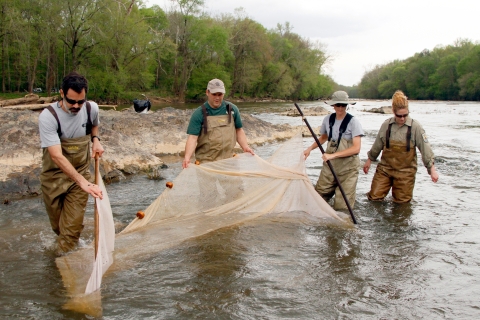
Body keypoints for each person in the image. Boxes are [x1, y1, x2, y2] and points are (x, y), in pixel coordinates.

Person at [38, 71, 104, 254]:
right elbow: (57, 156)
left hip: (81, 171)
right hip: (54, 178)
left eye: (80, 102)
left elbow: (94, 125)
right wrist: (83, 183)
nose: (76, 106)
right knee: (59, 228)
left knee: (70, 232)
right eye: (71, 101)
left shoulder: (92, 108)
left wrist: (96, 139)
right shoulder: (48, 117)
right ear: (61, 93)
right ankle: (67, 249)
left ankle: (63, 270)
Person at [363, 90, 439, 203]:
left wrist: (432, 169)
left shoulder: (415, 127)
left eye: (405, 115)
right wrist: (369, 161)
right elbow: (377, 145)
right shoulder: (386, 125)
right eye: (399, 116)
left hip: (406, 173)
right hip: (385, 170)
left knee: (402, 205)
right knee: (374, 198)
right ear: (393, 112)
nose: (402, 118)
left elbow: (425, 149)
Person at [303, 91, 364, 210]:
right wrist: (309, 149)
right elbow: (324, 138)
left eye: (343, 105)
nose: (341, 108)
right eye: (338, 105)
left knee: (342, 206)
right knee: (318, 198)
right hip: (330, 167)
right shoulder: (328, 119)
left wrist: (333, 155)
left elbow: (356, 148)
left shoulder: (353, 122)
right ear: (333, 105)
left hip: (348, 168)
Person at [182, 78, 254, 168]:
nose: (217, 98)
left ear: (223, 93)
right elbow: (192, 138)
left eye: (220, 94)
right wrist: (187, 157)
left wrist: (245, 147)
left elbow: (238, 130)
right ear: (207, 92)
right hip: (206, 163)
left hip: (229, 160)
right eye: (214, 94)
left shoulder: (232, 109)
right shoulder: (199, 113)